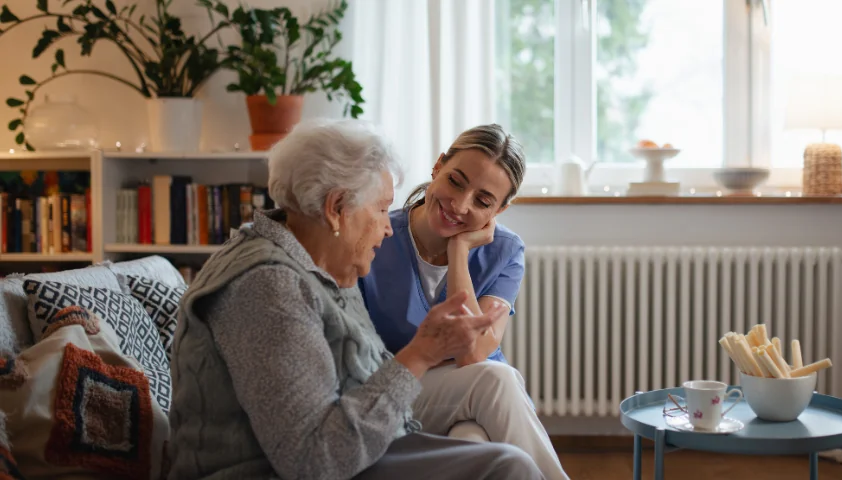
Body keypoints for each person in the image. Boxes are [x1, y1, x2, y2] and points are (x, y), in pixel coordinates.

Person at [167, 119, 543, 480]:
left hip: (361, 429)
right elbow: (314, 460)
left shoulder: (315, 263)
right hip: (286, 465)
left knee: (482, 444)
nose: (387, 225)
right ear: (336, 209)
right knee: (507, 465)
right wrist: (422, 353)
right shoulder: (268, 287)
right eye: (381, 208)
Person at [359, 124, 569, 480]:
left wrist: (459, 251)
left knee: (474, 444)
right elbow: (475, 362)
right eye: (456, 181)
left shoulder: (506, 250)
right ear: (438, 166)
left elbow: (472, 353)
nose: (460, 204)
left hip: (477, 398)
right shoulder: (379, 233)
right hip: (404, 390)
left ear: (499, 210)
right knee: (495, 379)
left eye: (483, 201)